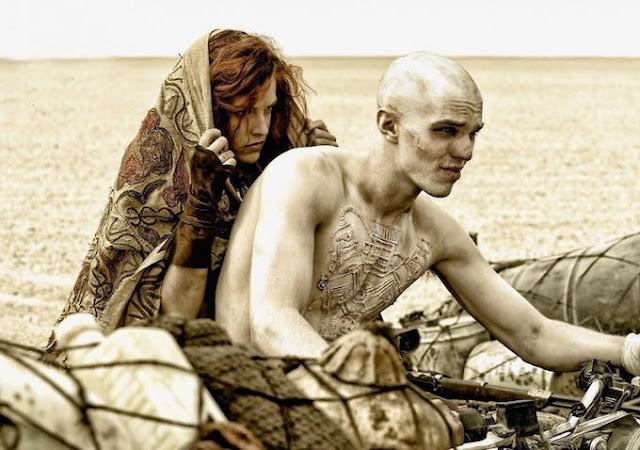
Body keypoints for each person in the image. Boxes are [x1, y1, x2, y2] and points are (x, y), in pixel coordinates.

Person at [215, 52, 640, 379]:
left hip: (337, 400)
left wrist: (628, 351)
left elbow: (533, 334)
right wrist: (377, 396)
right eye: (446, 130)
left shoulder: (435, 232)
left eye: (472, 134)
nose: (465, 150)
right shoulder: (306, 176)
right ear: (389, 126)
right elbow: (272, 324)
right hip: (245, 391)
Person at [51, 29, 337, 337]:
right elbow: (175, 317)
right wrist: (202, 202)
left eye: (268, 110)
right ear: (207, 110)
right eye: (242, 112)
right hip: (173, 346)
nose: (260, 128)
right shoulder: (154, 177)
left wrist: (315, 171)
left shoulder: (266, 161)